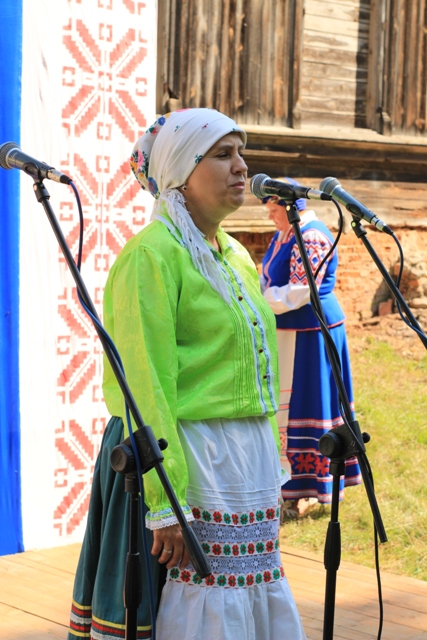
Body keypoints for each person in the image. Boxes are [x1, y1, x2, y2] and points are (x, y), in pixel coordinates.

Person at [68, 110, 306, 640]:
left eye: (241, 153)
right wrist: (164, 501)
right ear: (180, 172)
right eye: (222, 155)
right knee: (204, 599)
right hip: (190, 456)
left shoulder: (235, 255)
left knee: (246, 595)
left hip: (241, 459)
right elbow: (145, 384)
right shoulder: (151, 256)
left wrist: (270, 461)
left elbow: (256, 374)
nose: (241, 167)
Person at [259, 180, 361, 518]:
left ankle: (311, 487)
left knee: (310, 404)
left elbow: (302, 290)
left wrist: (259, 301)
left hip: (312, 333)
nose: (270, 216)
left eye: (274, 210)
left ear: (290, 207)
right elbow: (270, 277)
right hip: (291, 331)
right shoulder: (285, 234)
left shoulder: (311, 236)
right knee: (289, 406)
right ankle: (289, 485)